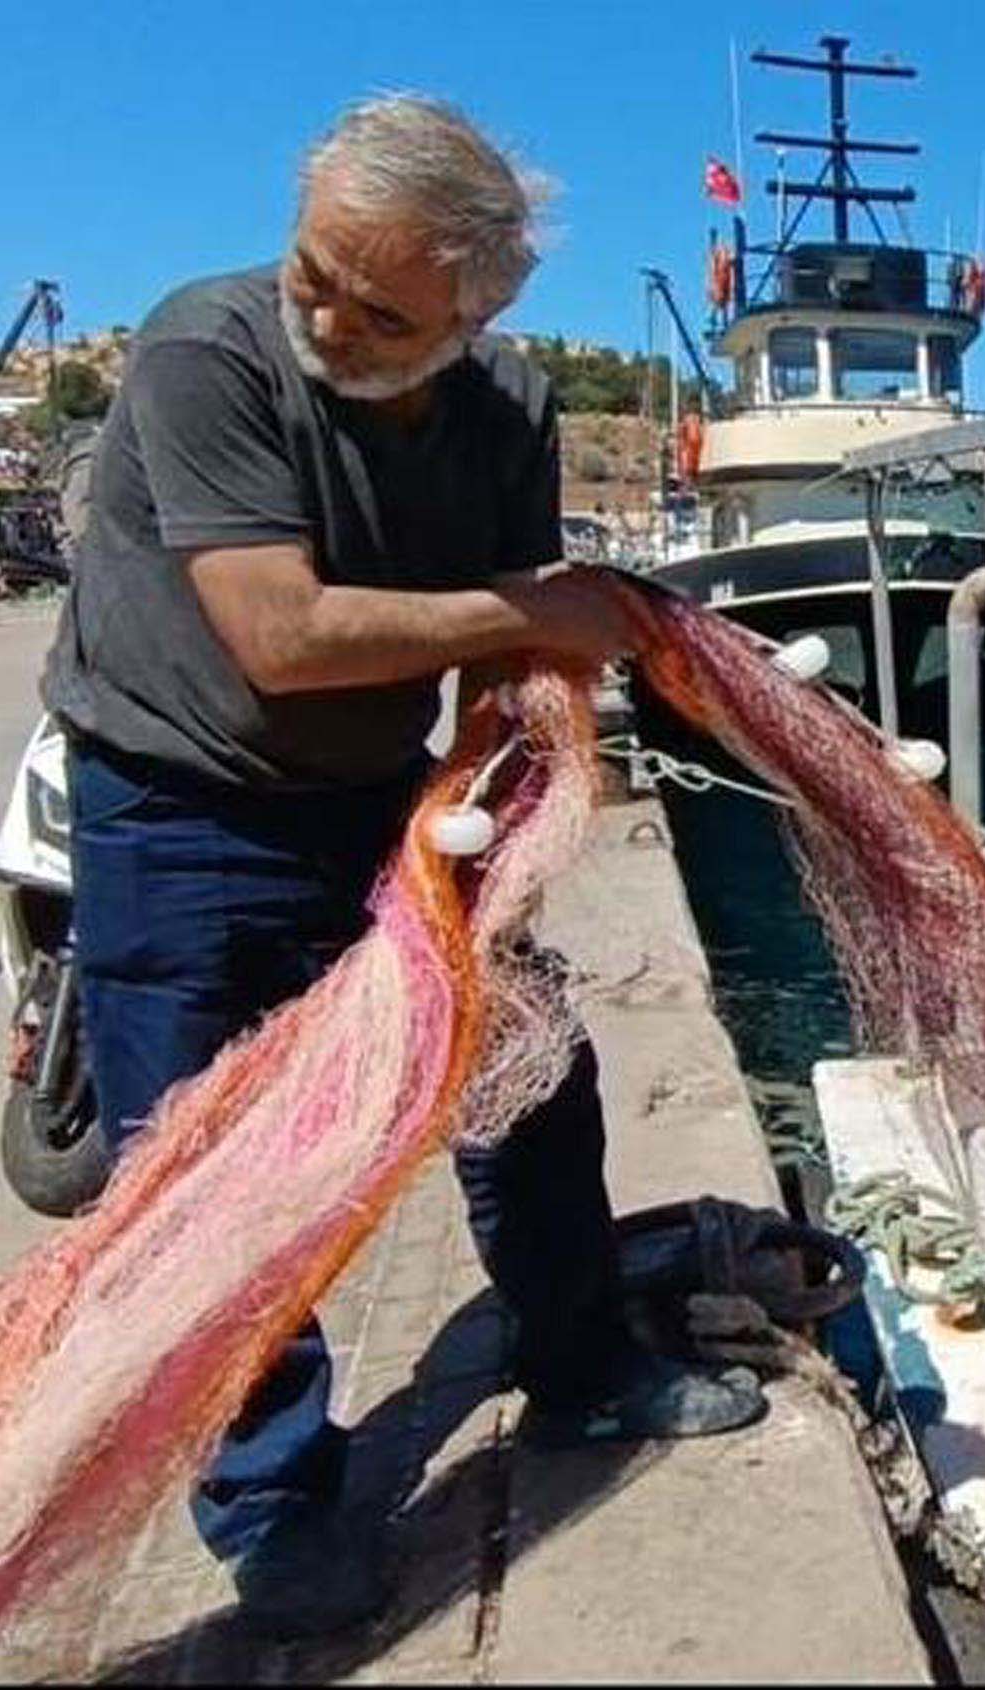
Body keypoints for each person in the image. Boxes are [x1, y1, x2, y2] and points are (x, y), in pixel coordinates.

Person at [39, 94, 762, 1638]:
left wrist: (503, 795)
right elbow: (283, 634)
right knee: (210, 1175)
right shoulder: (203, 352)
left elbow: (514, 647)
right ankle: (274, 1501)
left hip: (389, 798)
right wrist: (525, 609)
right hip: (176, 810)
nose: (327, 319)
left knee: (529, 1080)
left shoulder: (506, 401)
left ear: (476, 307)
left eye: (379, 308)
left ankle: (575, 1365)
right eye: (316, 271)